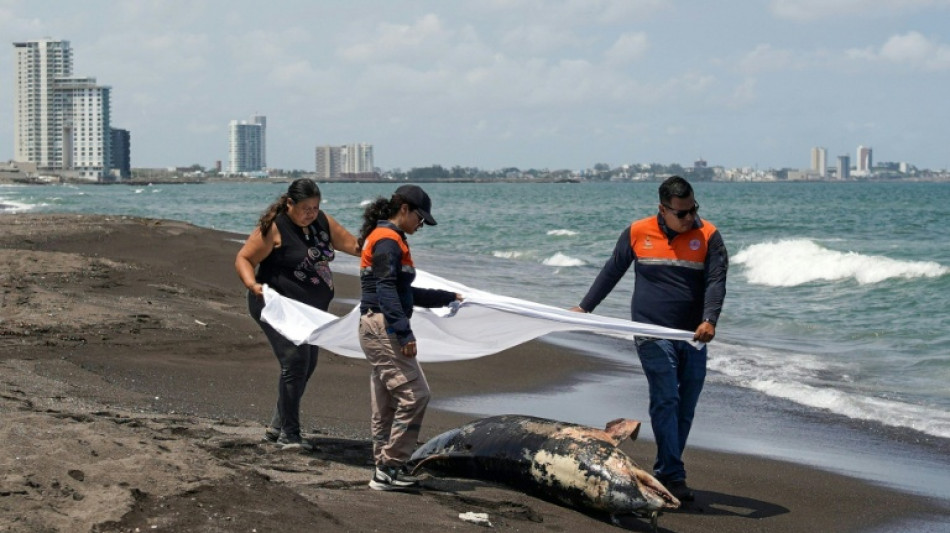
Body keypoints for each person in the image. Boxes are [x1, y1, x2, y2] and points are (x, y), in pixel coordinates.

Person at [571, 175, 727, 502]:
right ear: (662, 209)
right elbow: (612, 270)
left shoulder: (709, 236)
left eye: (693, 210)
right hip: (650, 331)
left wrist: (710, 319)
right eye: (682, 213)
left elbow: (715, 282)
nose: (690, 218)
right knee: (667, 396)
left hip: (693, 335)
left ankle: (668, 468)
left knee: (685, 406)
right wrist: (586, 307)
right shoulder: (637, 232)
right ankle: (672, 473)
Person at [235, 178, 360, 450]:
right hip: (275, 306)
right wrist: (251, 284)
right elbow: (244, 258)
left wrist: (382, 248)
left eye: (315, 207)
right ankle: (289, 435)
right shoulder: (275, 227)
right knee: (295, 361)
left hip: (311, 313)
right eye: (305, 208)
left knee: (307, 365)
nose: (311, 213)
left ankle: (277, 426)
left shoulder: (323, 222)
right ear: (290, 204)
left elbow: (354, 245)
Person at [357, 184, 461, 491]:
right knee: (416, 395)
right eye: (420, 218)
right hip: (383, 327)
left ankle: (386, 467)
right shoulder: (388, 240)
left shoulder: (385, 237)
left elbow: (404, 292)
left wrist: (446, 297)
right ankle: (388, 467)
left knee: (387, 401)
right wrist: (403, 332)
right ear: (404, 210)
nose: (421, 225)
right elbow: (388, 290)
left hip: (375, 325)